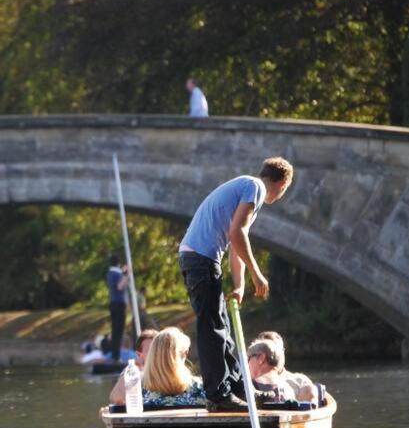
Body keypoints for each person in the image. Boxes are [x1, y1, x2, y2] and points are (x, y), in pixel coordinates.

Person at [178, 157, 294, 411]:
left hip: (202, 259)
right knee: (212, 329)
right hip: (200, 259)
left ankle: (241, 388)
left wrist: (240, 285)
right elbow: (236, 234)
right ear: (283, 184)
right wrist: (256, 273)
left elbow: (236, 245)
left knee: (224, 330)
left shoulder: (247, 188)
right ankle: (218, 396)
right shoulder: (255, 188)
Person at [109, 327, 207, 407]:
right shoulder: (202, 388)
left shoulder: (140, 386)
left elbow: (118, 399)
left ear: (152, 355)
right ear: (185, 354)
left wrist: (131, 368)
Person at [106, 254, 130, 362]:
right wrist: (126, 275)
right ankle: (116, 357)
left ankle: (115, 355)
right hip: (119, 304)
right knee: (119, 331)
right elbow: (120, 286)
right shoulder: (116, 274)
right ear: (118, 263)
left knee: (115, 331)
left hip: (113, 304)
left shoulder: (110, 273)